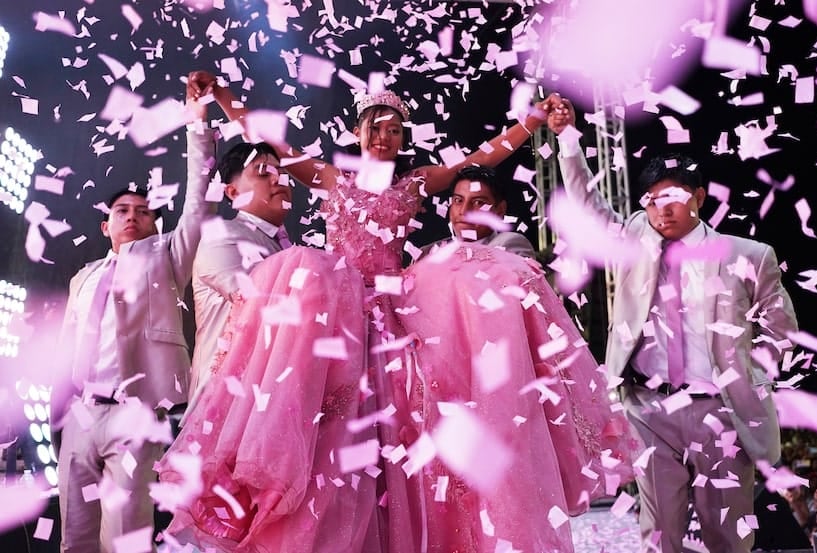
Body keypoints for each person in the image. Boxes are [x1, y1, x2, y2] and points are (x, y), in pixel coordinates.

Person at [168, 74, 638, 552]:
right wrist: (226, 101)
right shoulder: (333, 179)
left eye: (394, 130)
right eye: (375, 128)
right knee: (334, 427)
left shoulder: (418, 181)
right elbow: (272, 142)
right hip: (340, 317)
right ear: (358, 132)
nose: (383, 137)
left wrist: (532, 121)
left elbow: (484, 156)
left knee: (409, 424)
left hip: (399, 317)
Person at [549, 97, 798, 553]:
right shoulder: (632, 239)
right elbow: (586, 204)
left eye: (674, 198)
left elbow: (779, 328)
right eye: (653, 200)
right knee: (660, 533)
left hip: (719, 411)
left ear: (699, 199)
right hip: (649, 408)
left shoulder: (748, 255)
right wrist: (567, 138)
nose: (662, 210)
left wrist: (752, 378)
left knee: (727, 534)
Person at [50, 84, 216, 553]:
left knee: (125, 537)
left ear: (154, 224)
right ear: (105, 224)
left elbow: (199, 201)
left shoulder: (166, 258)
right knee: (75, 537)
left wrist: (197, 122)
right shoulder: (83, 277)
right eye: (122, 211)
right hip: (81, 414)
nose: (133, 217)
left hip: (135, 412)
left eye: (143, 213)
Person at [188, 136, 293, 406]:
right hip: (223, 400)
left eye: (281, 174)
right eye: (263, 173)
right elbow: (262, 302)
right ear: (232, 192)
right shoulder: (220, 235)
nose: (277, 180)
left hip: (272, 396)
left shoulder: (286, 245)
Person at [421, 164, 535, 258]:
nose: (464, 211)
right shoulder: (427, 253)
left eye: (478, 202)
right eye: (458, 200)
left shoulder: (510, 244)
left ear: (500, 210)